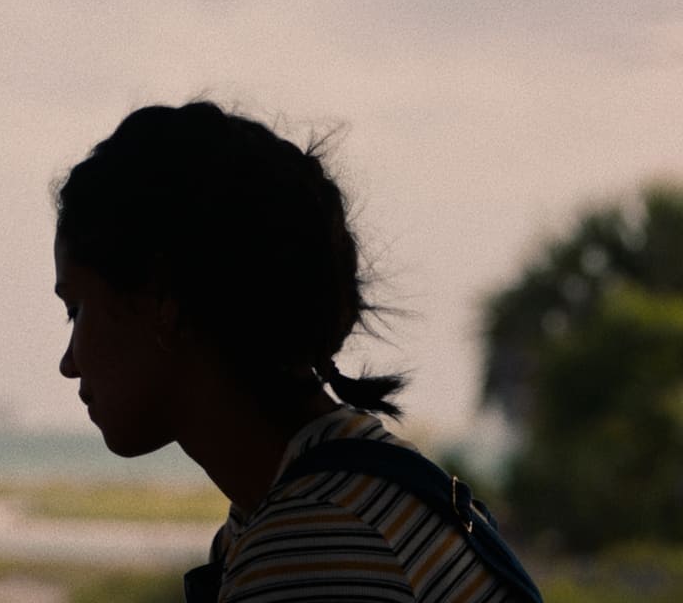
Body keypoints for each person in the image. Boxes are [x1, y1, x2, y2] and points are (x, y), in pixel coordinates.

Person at [52, 102, 542, 602]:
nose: (68, 363)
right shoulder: (343, 496)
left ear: (163, 304)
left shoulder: (315, 539)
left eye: (75, 309)